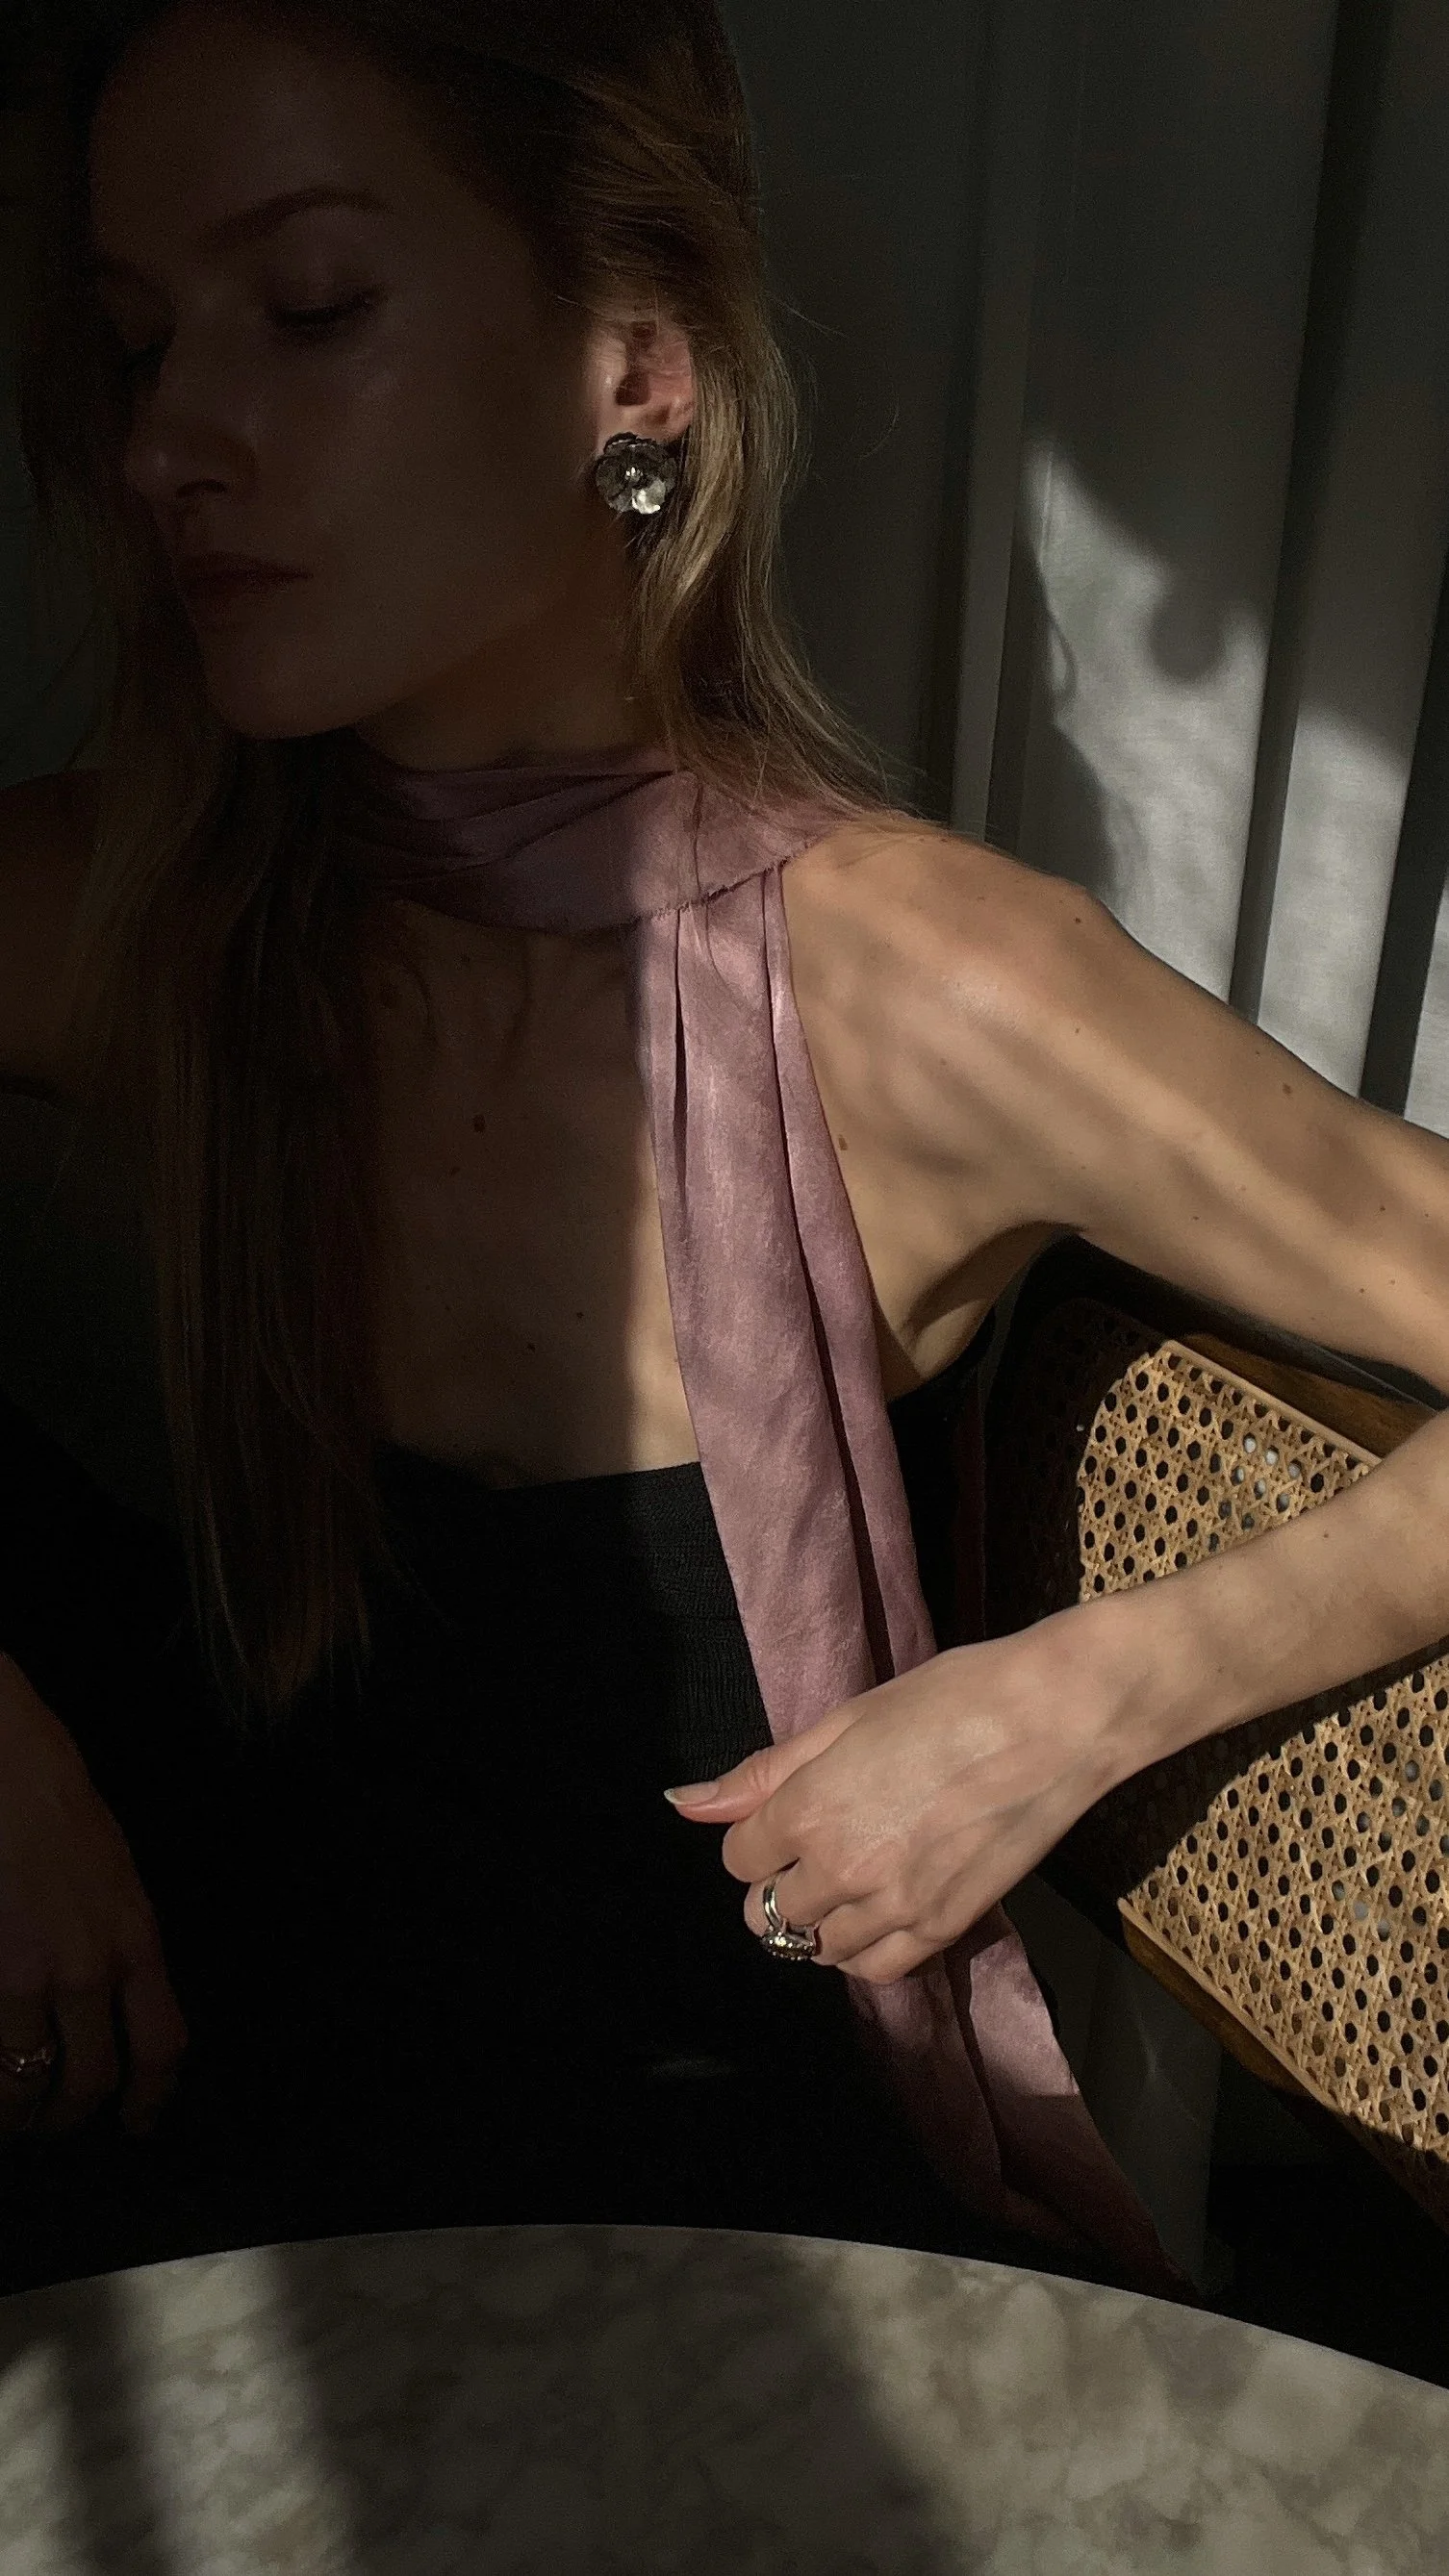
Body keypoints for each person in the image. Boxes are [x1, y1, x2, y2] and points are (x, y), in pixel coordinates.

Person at [2, 0, 1448, 2298]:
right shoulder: (149, 917)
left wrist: (1076, 1695)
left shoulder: (931, 988)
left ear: (638, 375)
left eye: (307, 308)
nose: (174, 438)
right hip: (191, 2115)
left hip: (732, 2214)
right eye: (135, 341)